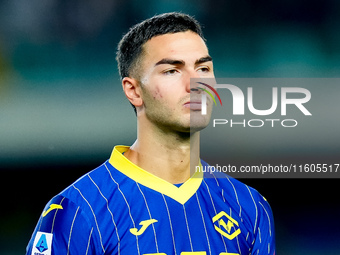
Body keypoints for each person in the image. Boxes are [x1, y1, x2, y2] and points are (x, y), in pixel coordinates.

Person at [26, 12, 275, 255]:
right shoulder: (79, 210)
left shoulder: (249, 207)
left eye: (203, 68)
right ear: (133, 91)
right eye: (172, 71)